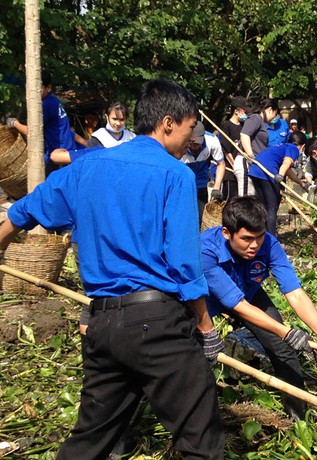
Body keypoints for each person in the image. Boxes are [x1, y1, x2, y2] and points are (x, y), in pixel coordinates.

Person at [0, 78, 224, 458]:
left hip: (102, 326)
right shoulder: (176, 174)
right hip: (157, 323)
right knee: (200, 440)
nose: (193, 139)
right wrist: (205, 325)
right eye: (191, 129)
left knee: (90, 441)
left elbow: (25, 209)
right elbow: (184, 262)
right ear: (168, 123)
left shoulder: (88, 166)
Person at [200, 197, 317, 420]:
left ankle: (298, 417)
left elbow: (294, 293)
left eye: (259, 237)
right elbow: (236, 305)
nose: (255, 245)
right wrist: (286, 331)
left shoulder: (268, 244)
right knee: (193, 355)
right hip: (205, 300)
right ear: (226, 233)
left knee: (283, 348)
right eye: (247, 239)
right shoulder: (205, 251)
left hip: (247, 293)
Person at [6, 71, 87, 176]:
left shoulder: (46, 105)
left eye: (38, 87)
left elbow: (31, 131)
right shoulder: (54, 101)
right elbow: (65, 130)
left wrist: (14, 123)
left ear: (48, 88)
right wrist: (85, 142)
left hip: (57, 156)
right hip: (67, 152)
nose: (34, 90)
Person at [248, 132, 306, 235]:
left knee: (263, 206)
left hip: (255, 171)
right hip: (268, 173)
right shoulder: (294, 149)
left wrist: (300, 182)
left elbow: (287, 170)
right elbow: (286, 163)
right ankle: (271, 238)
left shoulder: (282, 146)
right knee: (271, 208)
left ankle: (261, 234)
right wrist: (280, 175)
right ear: (303, 146)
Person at [50, 101, 136, 165]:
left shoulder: (132, 137)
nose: (118, 123)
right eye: (114, 119)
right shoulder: (98, 138)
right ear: (107, 117)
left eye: (121, 120)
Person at [181, 121, 225, 219]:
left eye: (198, 143)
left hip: (201, 181)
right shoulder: (180, 143)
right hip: (184, 181)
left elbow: (221, 164)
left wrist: (216, 188)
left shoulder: (212, 141)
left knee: (201, 215)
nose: (195, 146)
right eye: (192, 143)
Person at [240, 99, 279, 196]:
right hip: (247, 162)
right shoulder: (255, 118)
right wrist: (251, 156)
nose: (275, 117)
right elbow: (244, 134)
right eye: (275, 113)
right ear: (270, 109)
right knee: (247, 199)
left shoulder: (261, 122)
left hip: (256, 164)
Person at [219, 96, 249, 200]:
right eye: (244, 111)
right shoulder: (226, 126)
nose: (245, 113)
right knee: (230, 199)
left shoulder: (245, 126)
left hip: (243, 170)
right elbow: (226, 150)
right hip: (231, 171)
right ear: (236, 111)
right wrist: (235, 167)